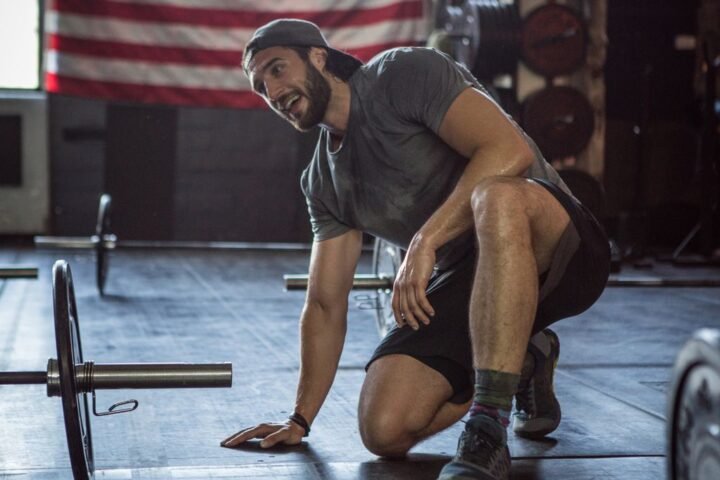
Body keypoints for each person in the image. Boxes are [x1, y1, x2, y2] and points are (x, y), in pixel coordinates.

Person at [221, 19, 610, 480]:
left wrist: (426, 240)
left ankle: (486, 430)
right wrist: (300, 418)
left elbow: (508, 151)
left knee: (496, 196)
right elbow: (325, 304)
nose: (272, 89)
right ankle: (522, 358)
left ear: (318, 57)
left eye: (278, 68)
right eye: (260, 86)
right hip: (472, 282)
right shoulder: (323, 183)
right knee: (383, 429)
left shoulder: (402, 74)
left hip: (559, 246)